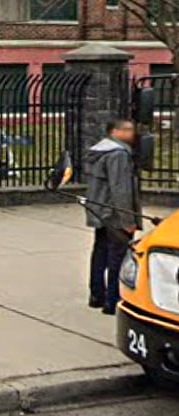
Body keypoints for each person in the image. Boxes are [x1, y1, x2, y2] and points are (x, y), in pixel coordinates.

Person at [86, 118, 140, 315]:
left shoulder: (99, 151)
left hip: (100, 211)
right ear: (114, 131)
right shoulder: (118, 154)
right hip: (115, 214)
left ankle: (96, 295)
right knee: (117, 256)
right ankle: (112, 300)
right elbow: (120, 189)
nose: (132, 133)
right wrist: (128, 220)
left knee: (100, 253)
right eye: (127, 129)